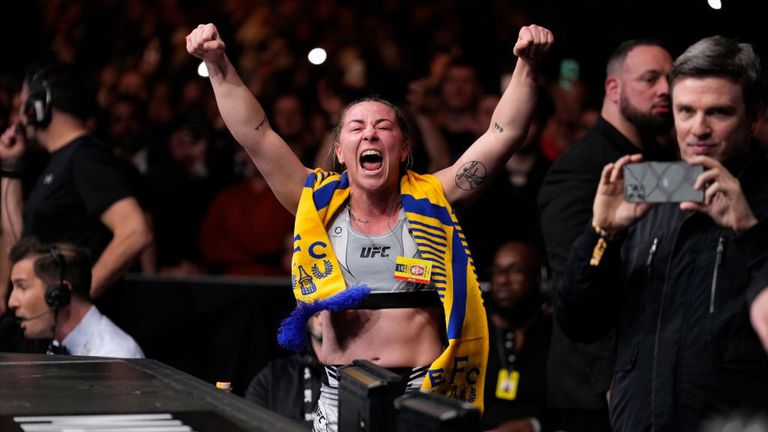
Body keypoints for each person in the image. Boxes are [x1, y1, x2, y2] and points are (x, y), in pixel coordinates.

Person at [186, 22, 553, 432]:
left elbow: (504, 134)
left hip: (423, 389)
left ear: (405, 148)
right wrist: (217, 63)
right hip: (340, 390)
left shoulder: (435, 196)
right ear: (340, 152)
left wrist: (527, 66)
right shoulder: (315, 203)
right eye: (356, 127)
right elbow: (255, 133)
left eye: (384, 126)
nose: (370, 134)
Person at [556, 35, 768, 431]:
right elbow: (578, 322)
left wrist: (749, 232)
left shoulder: (761, 206)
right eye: (685, 111)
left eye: (719, 112)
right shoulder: (649, 195)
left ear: (754, 117)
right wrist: (602, 233)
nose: (698, 129)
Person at [537, 38, 674, 431]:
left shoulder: (659, 164)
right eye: (650, 79)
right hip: (592, 395)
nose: (665, 89)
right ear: (613, 89)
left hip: (643, 380)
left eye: (669, 78)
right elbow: (573, 289)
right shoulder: (578, 169)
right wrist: (610, 379)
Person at [0, 63, 152, 314]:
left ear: (38, 106)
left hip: (70, 330)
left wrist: (74, 303)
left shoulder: (85, 156)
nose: (19, 118)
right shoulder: (57, 161)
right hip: (48, 325)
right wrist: (10, 168)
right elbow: (19, 246)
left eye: (23, 106)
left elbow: (135, 231)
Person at [8, 236, 144, 358]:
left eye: (22, 287)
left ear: (59, 294)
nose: (11, 302)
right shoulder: (54, 347)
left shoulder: (116, 356)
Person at [482, 241, 551, 432]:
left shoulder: (551, 334)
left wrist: (532, 426)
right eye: (497, 271)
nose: (503, 280)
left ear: (539, 278)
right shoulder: (474, 332)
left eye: (515, 270)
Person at [246, 313, 324, 429]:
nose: (321, 312)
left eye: (330, 300)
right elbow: (249, 423)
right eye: (314, 302)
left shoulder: (356, 376)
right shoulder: (272, 377)